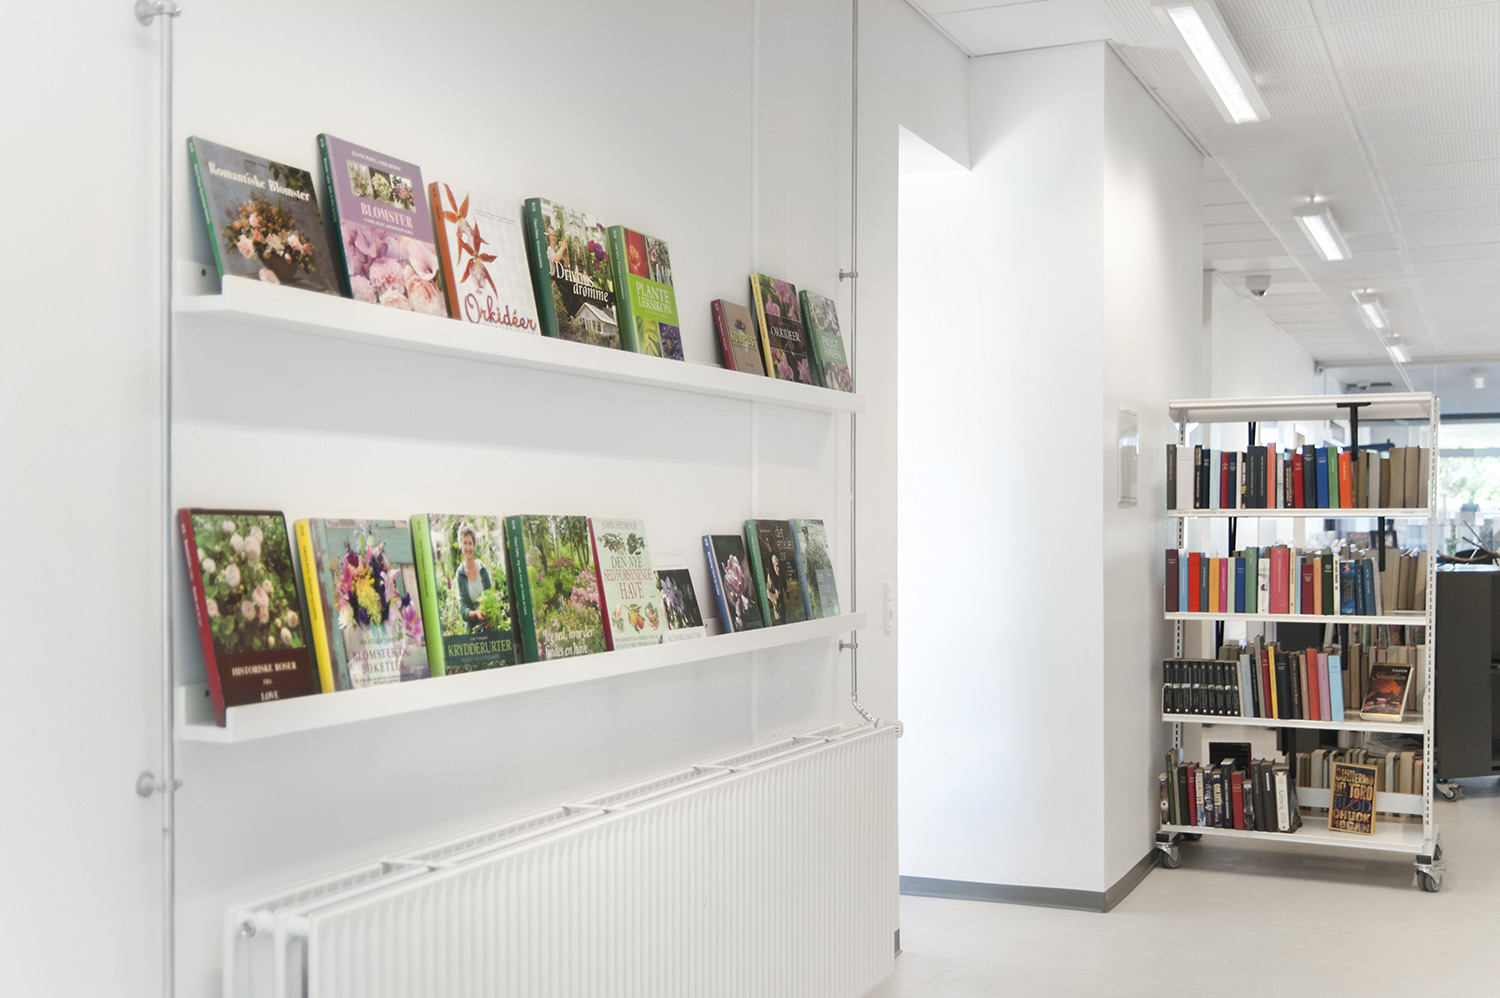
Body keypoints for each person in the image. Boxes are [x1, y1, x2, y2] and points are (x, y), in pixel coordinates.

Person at [454, 524, 493, 632]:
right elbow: (463, 609)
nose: (468, 548)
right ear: (461, 545)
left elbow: (490, 594)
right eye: (465, 543)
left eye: (470, 543)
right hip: (473, 629)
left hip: (489, 624)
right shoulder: (460, 574)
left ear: (474, 546)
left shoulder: (482, 569)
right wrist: (476, 613)